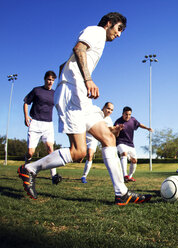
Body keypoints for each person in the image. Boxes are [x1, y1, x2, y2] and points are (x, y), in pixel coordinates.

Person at [18, 12, 152, 205]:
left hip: (80, 95)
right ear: (109, 23)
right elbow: (79, 48)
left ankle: (122, 194)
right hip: (71, 94)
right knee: (79, 152)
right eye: (119, 29)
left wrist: (75, 77)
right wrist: (87, 79)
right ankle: (30, 169)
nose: (120, 34)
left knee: (109, 137)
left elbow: (64, 64)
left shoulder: (99, 40)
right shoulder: (96, 31)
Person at [23, 70, 62, 185]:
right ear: (45, 79)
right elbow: (26, 102)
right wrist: (26, 116)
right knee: (30, 152)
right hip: (35, 123)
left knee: (50, 149)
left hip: (48, 124)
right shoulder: (37, 90)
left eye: (52, 80)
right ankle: (26, 169)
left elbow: (60, 107)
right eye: (49, 79)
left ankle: (54, 175)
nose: (50, 82)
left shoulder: (55, 94)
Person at [114, 106, 153, 182]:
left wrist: (147, 128)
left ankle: (130, 176)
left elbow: (139, 124)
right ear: (122, 114)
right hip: (120, 142)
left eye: (129, 114)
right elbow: (115, 135)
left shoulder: (133, 120)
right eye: (126, 114)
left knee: (134, 161)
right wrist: (118, 129)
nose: (127, 116)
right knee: (124, 154)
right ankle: (124, 175)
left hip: (130, 144)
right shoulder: (118, 122)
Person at [81, 102, 114, 183]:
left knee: (90, 155)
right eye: (108, 108)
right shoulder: (95, 110)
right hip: (82, 132)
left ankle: (84, 176)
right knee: (77, 154)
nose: (109, 111)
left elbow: (110, 131)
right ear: (104, 107)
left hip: (93, 138)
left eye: (112, 110)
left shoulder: (109, 121)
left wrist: (116, 129)